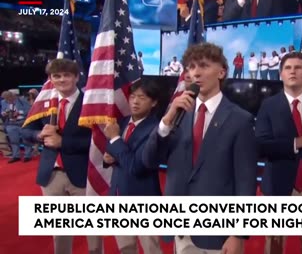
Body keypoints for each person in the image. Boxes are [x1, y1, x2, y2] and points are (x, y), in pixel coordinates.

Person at [142, 42, 257, 254]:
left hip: (219, 233)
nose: (195, 73)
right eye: (191, 67)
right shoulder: (177, 114)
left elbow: (246, 182)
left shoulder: (240, 120)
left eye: (203, 66)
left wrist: (238, 233)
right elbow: (148, 160)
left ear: (221, 72)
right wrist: (166, 122)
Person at [23, 58, 101, 254]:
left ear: (76, 77)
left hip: (82, 175)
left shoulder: (90, 103)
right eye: (56, 76)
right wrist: (39, 135)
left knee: (92, 230)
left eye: (67, 75)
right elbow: (25, 131)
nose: (62, 80)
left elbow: (99, 142)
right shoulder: (44, 102)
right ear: (50, 78)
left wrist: (63, 142)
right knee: (60, 231)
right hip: (51, 175)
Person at [255, 52, 302, 254]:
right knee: (273, 245)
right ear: (281, 74)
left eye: (298, 67)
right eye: (288, 68)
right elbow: (260, 146)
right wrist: (298, 142)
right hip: (277, 185)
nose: (292, 71)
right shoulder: (268, 106)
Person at [103, 78, 162, 254]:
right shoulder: (121, 123)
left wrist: (114, 140)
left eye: (142, 97)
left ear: (154, 102)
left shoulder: (156, 129)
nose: (135, 101)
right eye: (133, 96)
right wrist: (107, 158)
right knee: (126, 248)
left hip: (143, 197)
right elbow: (114, 152)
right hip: (118, 194)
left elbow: (137, 166)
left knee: (151, 249)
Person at [1, 90, 33, 163]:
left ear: (12, 96)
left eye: (8, 98)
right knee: (14, 141)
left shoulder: (22, 100)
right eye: (5, 99)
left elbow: (29, 110)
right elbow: (2, 111)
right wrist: (4, 113)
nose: (7, 100)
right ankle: (16, 156)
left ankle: (27, 155)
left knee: (26, 139)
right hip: (11, 124)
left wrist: (19, 112)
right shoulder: (3, 102)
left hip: (23, 123)